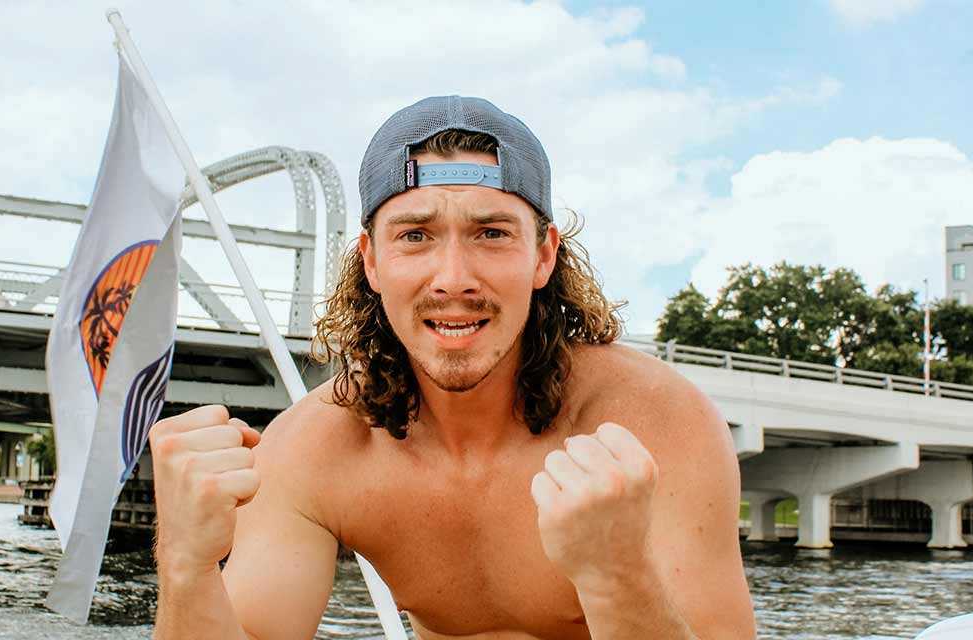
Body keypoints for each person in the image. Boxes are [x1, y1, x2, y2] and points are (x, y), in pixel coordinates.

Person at [150, 96, 756, 639]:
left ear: (543, 256)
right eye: (415, 236)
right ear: (373, 262)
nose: (454, 279)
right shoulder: (316, 448)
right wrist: (186, 564)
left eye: (491, 233)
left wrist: (618, 574)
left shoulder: (654, 425)